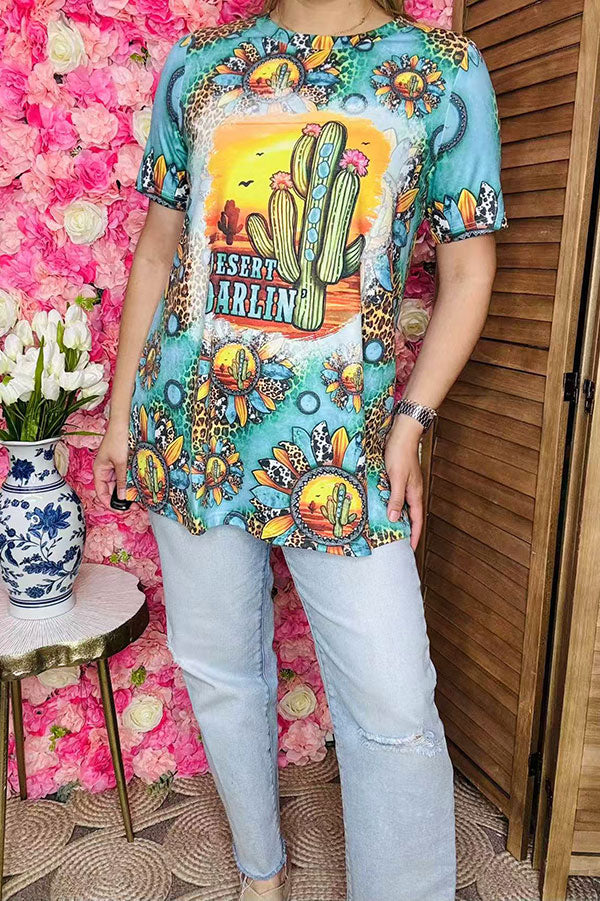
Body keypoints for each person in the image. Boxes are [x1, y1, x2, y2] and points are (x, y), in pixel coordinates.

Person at [93, 0, 507, 898]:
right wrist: (121, 412)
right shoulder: (199, 64)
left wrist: (412, 422)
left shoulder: (440, 70)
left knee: (394, 702)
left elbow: (470, 269)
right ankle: (260, 870)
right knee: (219, 667)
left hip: (343, 451)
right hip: (190, 428)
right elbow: (159, 249)